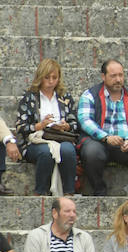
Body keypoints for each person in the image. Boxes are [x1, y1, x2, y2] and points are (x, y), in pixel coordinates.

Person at [77, 58, 128, 195]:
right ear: (103, 76)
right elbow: (85, 121)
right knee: (91, 152)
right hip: (99, 142)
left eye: (121, 75)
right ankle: (99, 189)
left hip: (124, 145)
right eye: (113, 76)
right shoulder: (90, 95)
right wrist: (106, 137)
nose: (118, 79)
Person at [15, 59, 79, 196]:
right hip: (36, 141)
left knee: (68, 150)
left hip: (60, 137)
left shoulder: (65, 97)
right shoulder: (29, 98)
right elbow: (20, 127)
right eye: (47, 77)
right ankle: (40, 192)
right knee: (46, 152)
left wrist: (66, 126)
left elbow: (74, 123)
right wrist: (40, 125)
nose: (51, 81)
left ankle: (69, 192)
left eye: (54, 78)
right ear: (40, 77)